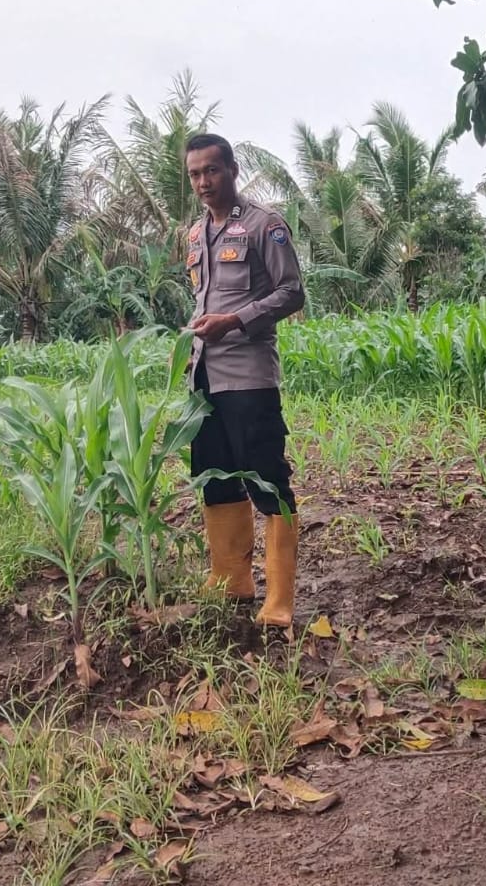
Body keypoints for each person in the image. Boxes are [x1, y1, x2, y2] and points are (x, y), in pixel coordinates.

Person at [183, 132, 305, 626]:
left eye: (211, 170)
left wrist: (234, 321)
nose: (204, 182)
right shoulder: (195, 234)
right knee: (214, 477)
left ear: (232, 170)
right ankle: (231, 579)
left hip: (249, 378)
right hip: (204, 379)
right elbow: (204, 298)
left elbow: (292, 292)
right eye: (195, 174)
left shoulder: (263, 225)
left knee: (266, 479)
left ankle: (278, 602)